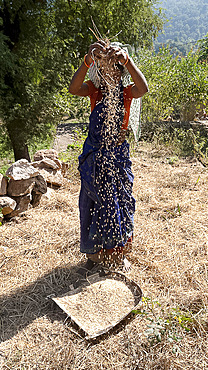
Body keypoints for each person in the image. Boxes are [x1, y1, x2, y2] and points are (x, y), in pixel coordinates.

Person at [69, 40, 148, 274]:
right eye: (104, 68)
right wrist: (87, 60)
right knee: (92, 205)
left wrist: (128, 59)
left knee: (118, 203)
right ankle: (93, 255)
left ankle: (117, 253)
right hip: (95, 157)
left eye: (115, 67)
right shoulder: (94, 91)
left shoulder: (126, 93)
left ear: (121, 71)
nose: (109, 72)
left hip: (117, 157)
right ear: (99, 71)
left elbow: (143, 88)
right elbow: (74, 88)